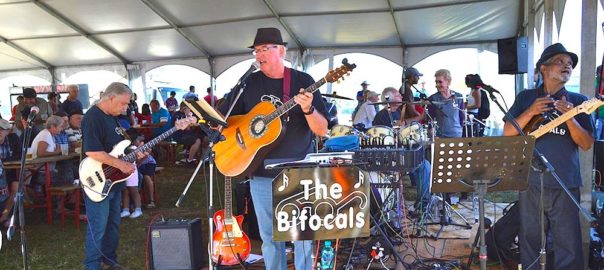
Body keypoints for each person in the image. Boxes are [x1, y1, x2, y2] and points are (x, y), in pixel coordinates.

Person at [218, 27, 328, 270]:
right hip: (261, 172)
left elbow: (321, 130)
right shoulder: (248, 83)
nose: (259, 55)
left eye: (265, 49)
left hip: (298, 170)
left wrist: (308, 109)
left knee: (301, 237)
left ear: (281, 51)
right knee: (269, 239)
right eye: (256, 50)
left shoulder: (303, 82)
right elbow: (225, 119)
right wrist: (239, 139)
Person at [503, 43, 594, 270]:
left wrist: (570, 118)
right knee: (530, 240)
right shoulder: (526, 97)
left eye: (570, 64)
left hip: (565, 182)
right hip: (530, 181)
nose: (567, 66)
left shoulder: (579, 101)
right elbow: (508, 132)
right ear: (544, 68)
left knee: (568, 245)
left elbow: (586, 144)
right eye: (560, 62)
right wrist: (531, 111)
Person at [82, 82, 145, 270]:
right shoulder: (93, 117)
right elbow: (93, 152)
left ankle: (109, 261)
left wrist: (135, 151)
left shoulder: (113, 117)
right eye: (123, 103)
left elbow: (116, 148)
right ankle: (92, 265)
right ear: (110, 98)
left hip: (113, 179)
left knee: (112, 224)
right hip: (98, 179)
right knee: (99, 226)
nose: (126, 108)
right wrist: (122, 164)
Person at [373, 87, 431, 209]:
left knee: (425, 165)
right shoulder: (381, 115)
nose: (401, 97)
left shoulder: (398, 112)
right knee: (423, 165)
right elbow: (385, 139)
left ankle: (423, 204)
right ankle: (394, 205)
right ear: (390, 98)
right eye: (398, 95)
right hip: (390, 156)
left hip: (402, 152)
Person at [428, 69, 464, 138]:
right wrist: (431, 132)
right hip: (440, 136)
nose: (437, 84)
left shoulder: (459, 97)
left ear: (448, 82)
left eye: (440, 82)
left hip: (456, 135)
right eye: (436, 82)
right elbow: (430, 118)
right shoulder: (433, 98)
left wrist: (460, 129)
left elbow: (461, 116)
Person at [0, 119, 22, 225]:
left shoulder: (13, 139)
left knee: (16, 188)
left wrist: (4, 161)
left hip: (10, 173)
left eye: (2, 129)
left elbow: (20, 154)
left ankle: (4, 217)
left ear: (8, 131)